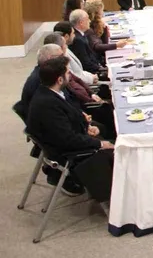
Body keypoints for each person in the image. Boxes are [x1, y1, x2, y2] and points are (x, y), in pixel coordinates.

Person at [26, 56, 115, 201]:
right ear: (60, 80)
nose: (70, 75)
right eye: (68, 73)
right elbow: (68, 139)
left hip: (73, 139)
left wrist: (85, 126)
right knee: (120, 150)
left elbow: (66, 121)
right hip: (71, 153)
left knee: (107, 132)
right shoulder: (47, 105)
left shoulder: (50, 93)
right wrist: (100, 144)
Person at [53, 21, 99, 85]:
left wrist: (91, 76)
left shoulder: (66, 48)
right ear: (66, 36)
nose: (74, 36)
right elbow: (73, 76)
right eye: (73, 33)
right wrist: (91, 78)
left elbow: (78, 71)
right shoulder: (62, 55)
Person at [69, 10, 104, 74]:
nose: (90, 21)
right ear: (81, 23)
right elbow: (86, 63)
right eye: (87, 19)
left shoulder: (81, 34)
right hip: (92, 73)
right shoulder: (78, 40)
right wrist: (102, 69)